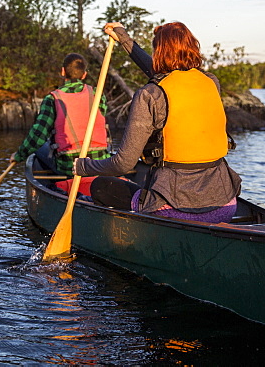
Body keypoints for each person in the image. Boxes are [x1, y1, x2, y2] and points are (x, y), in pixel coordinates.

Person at [74, 21, 241, 223]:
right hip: (224, 204)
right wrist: (123, 39)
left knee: (101, 186)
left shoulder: (149, 95)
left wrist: (83, 167)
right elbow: (168, 78)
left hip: (174, 209)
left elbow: (122, 164)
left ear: (159, 53)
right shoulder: (211, 82)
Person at [9, 53, 112, 196]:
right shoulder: (98, 94)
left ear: (63, 72)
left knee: (39, 148)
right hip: (100, 164)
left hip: (69, 166)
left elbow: (37, 136)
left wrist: (19, 155)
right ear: (84, 75)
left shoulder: (53, 98)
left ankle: (53, 185)